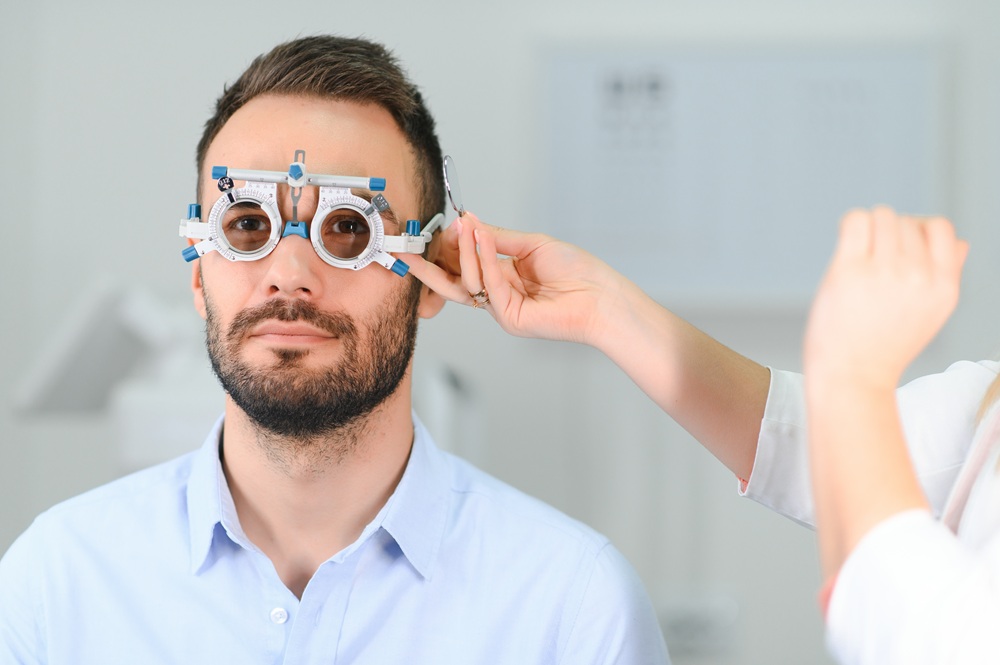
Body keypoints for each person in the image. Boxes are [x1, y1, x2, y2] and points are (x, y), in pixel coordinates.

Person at [0, 36, 668, 664]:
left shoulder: (570, 608)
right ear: (200, 276)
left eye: (348, 226)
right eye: (247, 224)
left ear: (433, 274)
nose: (289, 271)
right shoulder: (55, 586)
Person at [406, 208, 996, 664]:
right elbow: (819, 448)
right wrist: (603, 308)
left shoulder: (573, 587)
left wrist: (854, 374)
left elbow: (937, 638)